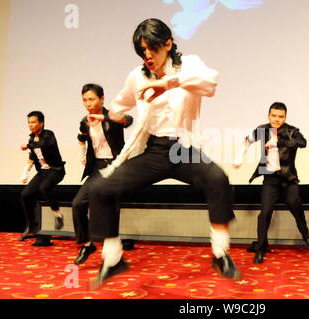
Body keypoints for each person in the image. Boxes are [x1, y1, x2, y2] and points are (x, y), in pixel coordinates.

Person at [87, 18, 240, 287]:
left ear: (167, 44)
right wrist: (115, 118)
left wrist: (168, 83)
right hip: (156, 150)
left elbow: (211, 84)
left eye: (152, 48)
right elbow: (118, 107)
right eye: (141, 50)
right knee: (100, 188)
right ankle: (112, 258)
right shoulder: (136, 76)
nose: (147, 55)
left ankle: (220, 253)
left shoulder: (189, 64)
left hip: (184, 149)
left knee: (217, 179)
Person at [233, 102, 309, 264]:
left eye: (281, 116)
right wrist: (239, 156)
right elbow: (247, 141)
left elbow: (302, 142)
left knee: (294, 203)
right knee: (265, 213)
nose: (277, 119)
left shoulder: (292, 131)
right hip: (270, 179)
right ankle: (260, 249)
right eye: (274, 115)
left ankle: (306, 235)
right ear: (268, 115)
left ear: (285, 117)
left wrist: (279, 142)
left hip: (289, 178)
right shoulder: (262, 130)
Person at [72, 84, 133, 265]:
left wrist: (105, 117)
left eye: (91, 99)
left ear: (102, 99)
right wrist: (83, 155)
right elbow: (82, 137)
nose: (88, 104)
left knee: (110, 207)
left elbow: (128, 120)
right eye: (84, 100)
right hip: (97, 167)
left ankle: (112, 252)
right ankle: (87, 243)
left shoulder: (112, 116)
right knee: (78, 204)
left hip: (115, 166)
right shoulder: (85, 121)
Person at [20, 111, 66, 245]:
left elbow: (44, 144)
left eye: (33, 122)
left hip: (56, 170)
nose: (30, 125)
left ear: (41, 123)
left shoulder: (49, 135)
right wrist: (25, 172)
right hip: (43, 172)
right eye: (29, 122)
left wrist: (29, 145)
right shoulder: (30, 139)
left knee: (44, 188)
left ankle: (58, 215)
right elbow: (32, 157)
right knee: (25, 194)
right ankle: (32, 225)